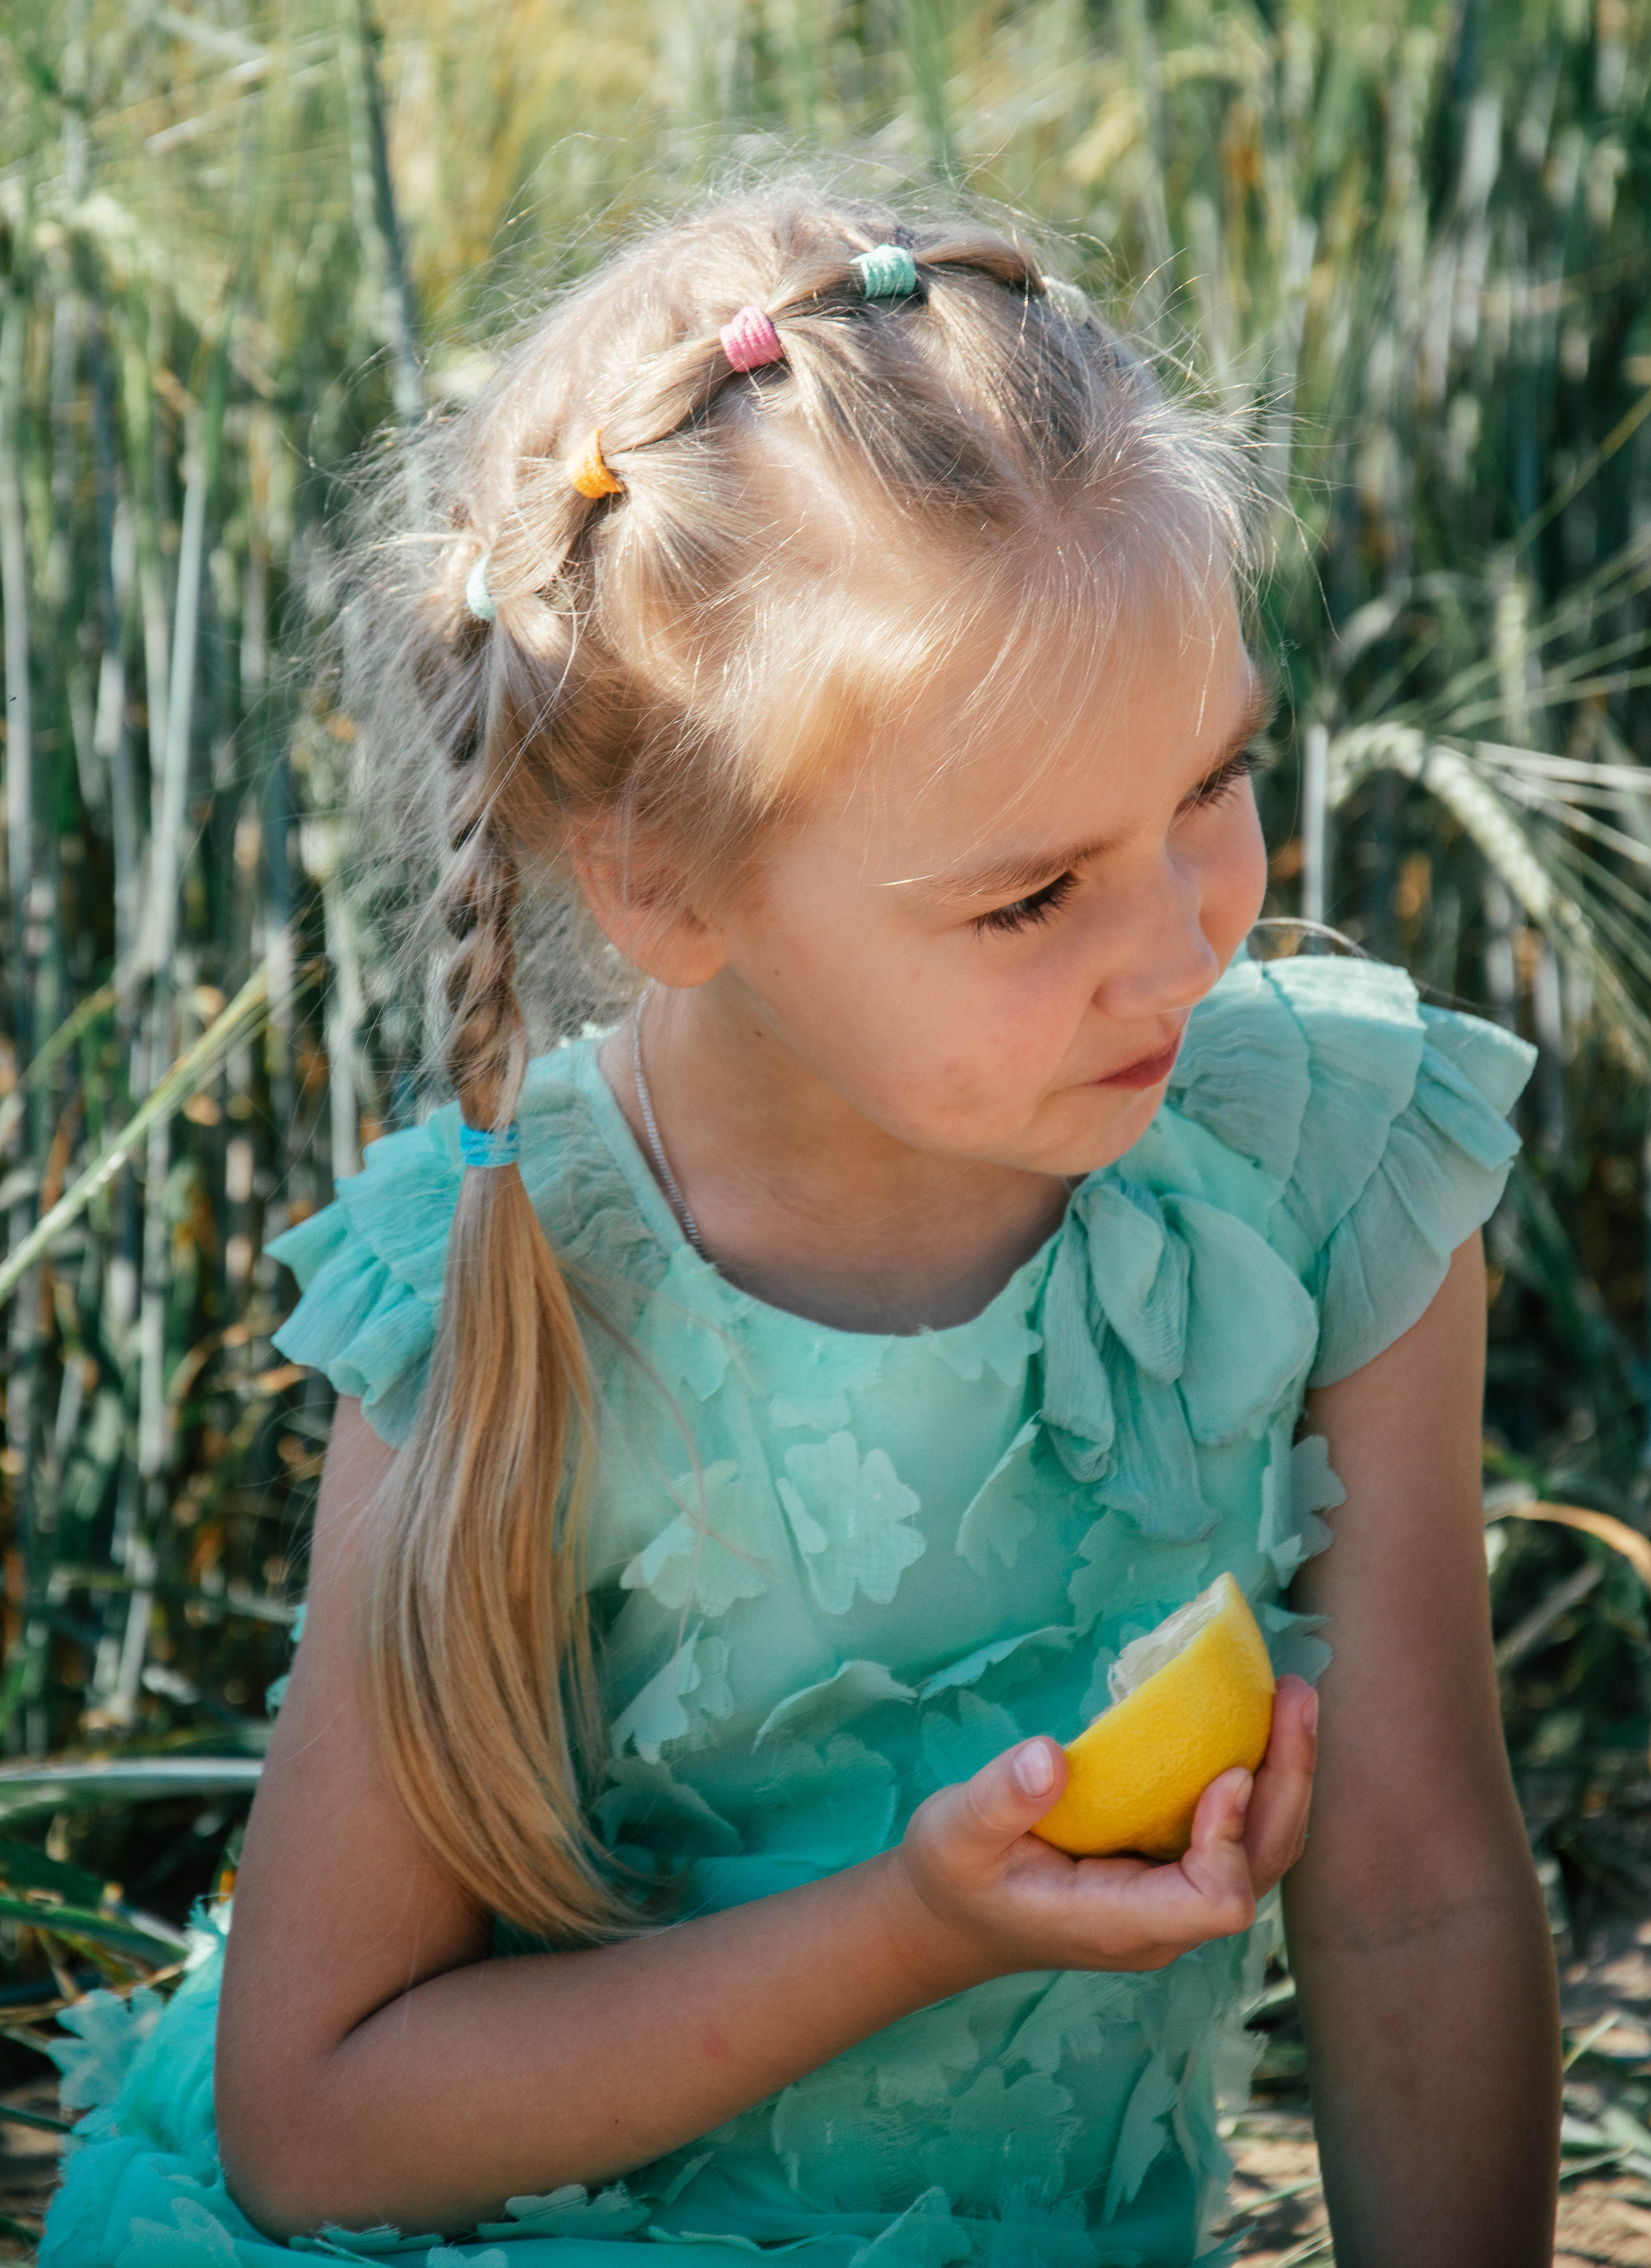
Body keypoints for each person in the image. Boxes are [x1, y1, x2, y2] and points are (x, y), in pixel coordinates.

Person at [41, 183, 1561, 2268]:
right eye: (1033, 896)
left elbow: (1417, 1892)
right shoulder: (518, 1292)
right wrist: (908, 1929)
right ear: (662, 883)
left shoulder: (1323, 1173)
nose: (1184, 945)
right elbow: (317, 2123)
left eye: (1212, 781)